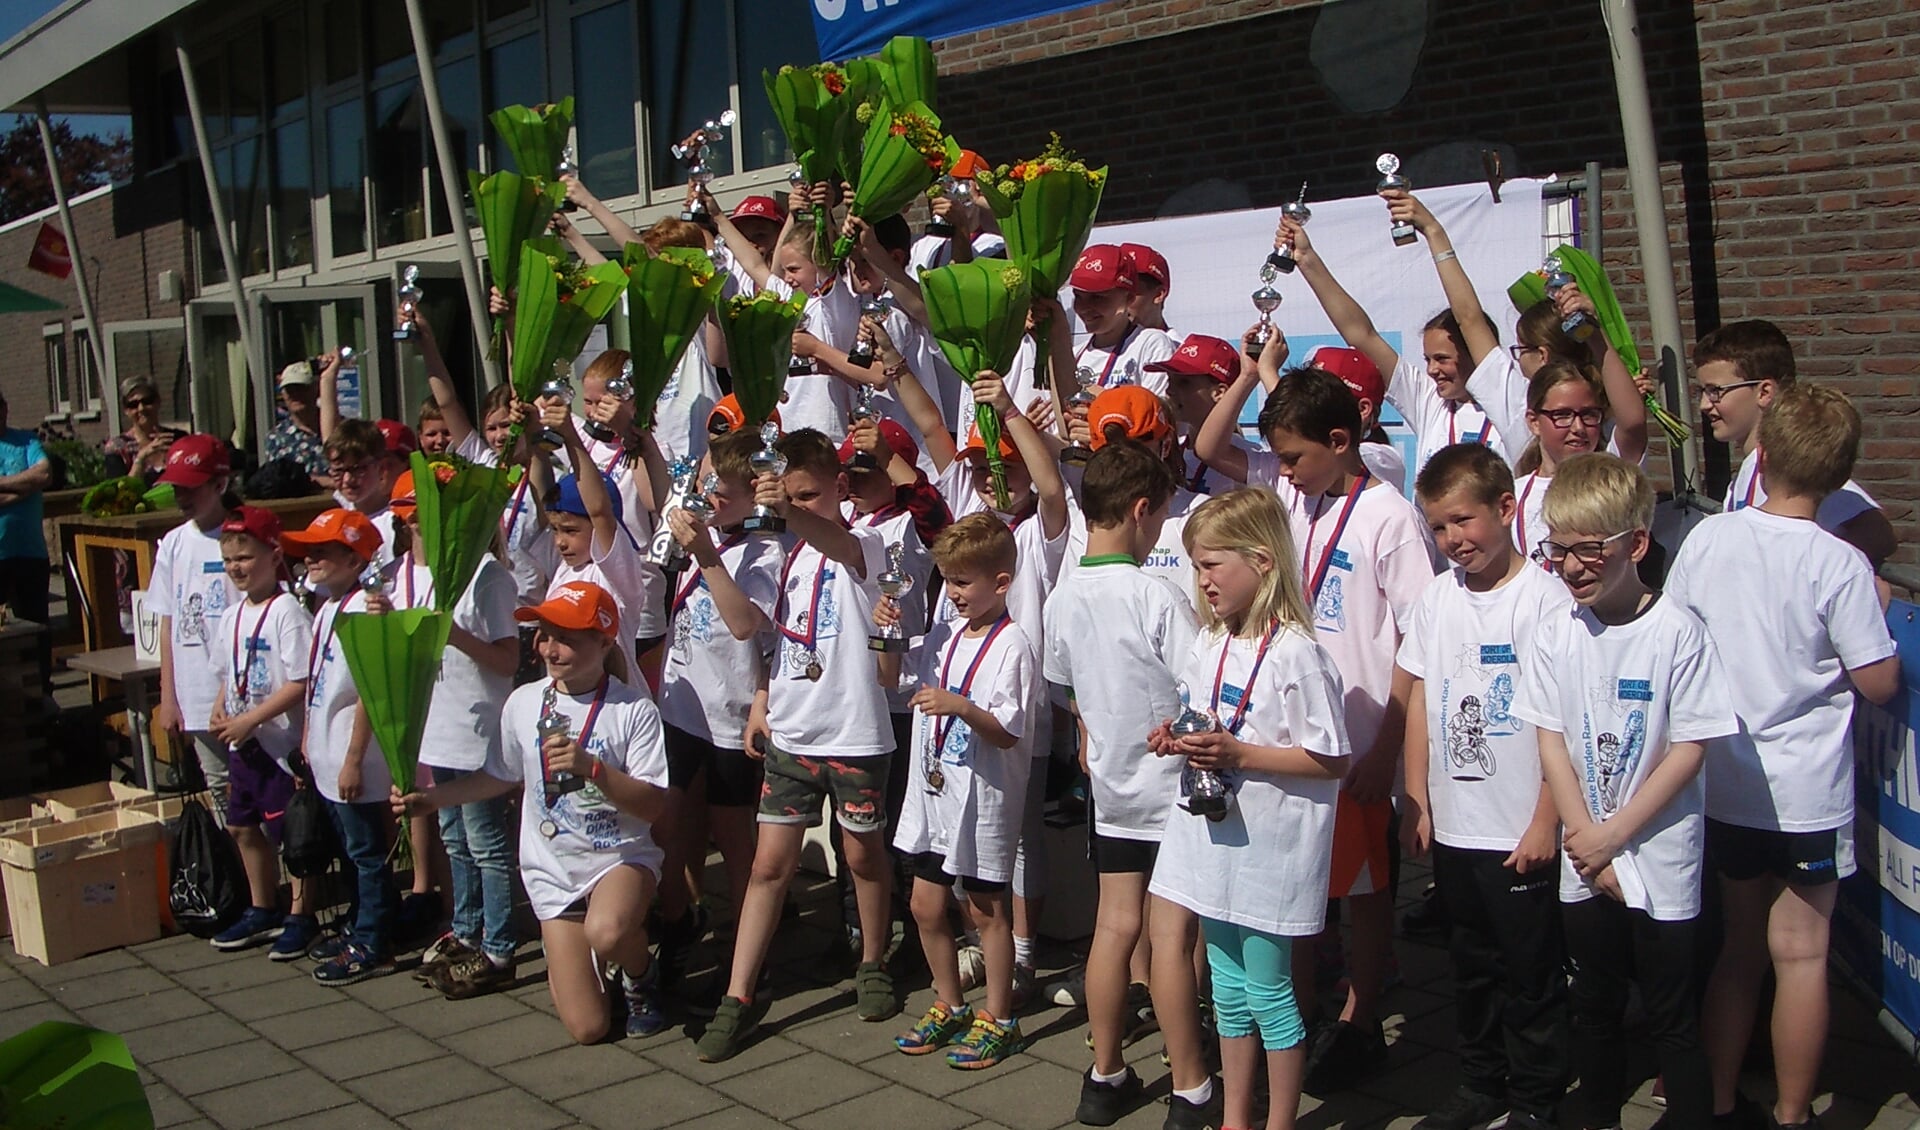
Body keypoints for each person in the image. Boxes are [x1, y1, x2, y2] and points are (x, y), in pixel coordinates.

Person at [1664, 385, 1900, 1130]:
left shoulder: (1711, 539)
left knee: (1738, 949)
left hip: (1727, 783)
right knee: (1800, 957)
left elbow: (1677, 635)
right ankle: (1795, 1113)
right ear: (1839, 476)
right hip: (1806, 795)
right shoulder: (1840, 565)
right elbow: (1879, 681)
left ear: (1760, 457)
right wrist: (1881, 610)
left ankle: (1723, 1100)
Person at [1512, 453, 1736, 1130]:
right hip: (1588, 860)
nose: (1571, 567)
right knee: (1596, 1008)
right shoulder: (1558, 634)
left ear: (1635, 544)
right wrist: (1586, 840)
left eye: (1587, 550)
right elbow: (1550, 738)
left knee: (1671, 1018)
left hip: (1659, 857)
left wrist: (1615, 835)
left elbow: (1689, 749)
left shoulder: (1678, 634)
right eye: (1558, 550)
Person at [1240, 368, 1436, 1094]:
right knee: (1297, 877)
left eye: (1293, 457)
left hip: (1359, 739)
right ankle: (1300, 1011)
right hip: (1298, 735)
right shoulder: (1301, 501)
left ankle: (1361, 1016)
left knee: (1365, 888)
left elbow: (1419, 640)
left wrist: (1387, 747)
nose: (1283, 472)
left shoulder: (1390, 517)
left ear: (1341, 440)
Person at [1148, 487, 1352, 1130]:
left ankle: (1280, 1121)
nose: (1200, 579)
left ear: (1263, 562)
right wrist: (1176, 736)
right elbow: (1209, 717)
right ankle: (1237, 1116)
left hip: (1270, 850)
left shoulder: (1297, 652)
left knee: (1271, 994)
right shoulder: (1210, 642)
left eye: (1212, 565)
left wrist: (1239, 753)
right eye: (1195, 564)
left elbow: (1331, 759)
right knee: (1228, 995)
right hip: (1211, 844)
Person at [695, 428, 899, 1063]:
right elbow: (759, 629)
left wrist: (791, 511)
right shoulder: (777, 552)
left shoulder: (864, 538)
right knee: (766, 867)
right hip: (791, 730)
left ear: (840, 486)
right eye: (790, 496)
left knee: (862, 858)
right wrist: (762, 699)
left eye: (811, 494)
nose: (799, 505)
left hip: (855, 733)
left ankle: (872, 959)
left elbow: (836, 541)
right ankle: (739, 992)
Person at [396, 581, 675, 1044]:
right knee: (589, 1030)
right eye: (544, 634)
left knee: (607, 931)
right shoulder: (524, 702)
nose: (549, 647)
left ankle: (640, 973)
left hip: (618, 857)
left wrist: (594, 770)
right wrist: (432, 799)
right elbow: (500, 775)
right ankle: (589, 962)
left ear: (605, 642)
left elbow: (652, 805)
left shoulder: (633, 709)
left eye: (565, 636)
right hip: (551, 870)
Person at [1397, 444, 1573, 1130]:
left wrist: (1543, 822)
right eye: (1438, 527)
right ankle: (1481, 1083)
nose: (1452, 540)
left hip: (1518, 825)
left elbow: (1560, 724)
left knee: (1530, 971)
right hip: (1457, 822)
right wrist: (1417, 796)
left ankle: (1536, 1098)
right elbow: (1418, 700)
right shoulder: (1437, 599)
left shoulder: (1545, 601)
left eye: (1463, 521)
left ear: (1506, 509)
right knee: (1470, 964)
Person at [1042, 440, 1201, 1127]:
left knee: (1113, 928)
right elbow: (1204, 686)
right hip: (1173, 793)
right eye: (1163, 517)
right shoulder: (1154, 595)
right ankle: (1192, 1080)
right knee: (1175, 940)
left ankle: (1104, 1073)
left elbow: (1065, 687)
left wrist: (1091, 729)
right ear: (1141, 512)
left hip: (1112, 791)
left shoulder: (1064, 595)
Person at [880, 513, 1036, 1070]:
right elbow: (889, 680)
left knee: (986, 908)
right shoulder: (943, 632)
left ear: (1000, 582)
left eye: (963, 582)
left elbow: (1008, 729)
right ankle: (949, 1001)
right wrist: (887, 637)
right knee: (924, 904)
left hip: (983, 798)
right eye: (947, 580)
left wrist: (961, 707)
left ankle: (1000, 1015)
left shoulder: (1013, 643)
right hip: (932, 792)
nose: (953, 593)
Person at [652, 428, 784, 993]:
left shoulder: (766, 549)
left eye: (722, 492)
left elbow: (743, 623)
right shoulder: (714, 533)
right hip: (682, 705)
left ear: (756, 492)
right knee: (673, 824)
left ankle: (753, 944)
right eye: (706, 486)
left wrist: (706, 554)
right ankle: (683, 922)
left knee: (734, 835)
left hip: (731, 714)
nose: (709, 499)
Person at [389, 470, 524, 1000]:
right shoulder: (414, 573)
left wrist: (456, 634)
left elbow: (507, 660)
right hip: (437, 725)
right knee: (453, 838)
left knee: (487, 841)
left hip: (476, 728)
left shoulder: (488, 575)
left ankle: (499, 947)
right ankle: (465, 932)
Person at [1277, 213, 1502, 473]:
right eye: (1428, 359)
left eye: (1442, 359)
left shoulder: (1510, 403)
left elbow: (1469, 316)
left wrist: (1432, 231)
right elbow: (1361, 334)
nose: (1431, 370)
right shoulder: (1430, 401)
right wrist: (1307, 260)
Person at [283, 507, 399, 985]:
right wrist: (309, 740)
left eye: (324, 552)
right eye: (308, 552)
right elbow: (319, 682)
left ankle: (374, 939)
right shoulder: (327, 606)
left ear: (356, 560)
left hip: (355, 758)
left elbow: (372, 691)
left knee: (368, 852)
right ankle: (359, 922)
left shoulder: (363, 610)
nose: (310, 559)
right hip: (326, 752)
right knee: (352, 851)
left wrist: (353, 759)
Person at [205, 505, 318, 959]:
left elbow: (301, 680)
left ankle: (301, 913)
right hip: (244, 743)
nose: (237, 568)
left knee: (295, 834)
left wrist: (253, 718)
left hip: (278, 744)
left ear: (273, 555)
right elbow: (225, 673)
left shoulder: (286, 610)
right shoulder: (233, 615)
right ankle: (261, 905)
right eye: (230, 560)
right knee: (242, 826)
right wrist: (220, 710)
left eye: (245, 558)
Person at [1696, 319, 1898, 566]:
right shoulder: (1747, 473)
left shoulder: (1793, 467)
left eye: (1715, 391)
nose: (1704, 405)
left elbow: (1877, 533)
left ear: (1764, 392)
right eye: (1702, 392)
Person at [150, 435, 242, 804]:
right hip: (196, 693)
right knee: (218, 786)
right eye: (176, 488)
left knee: (259, 786)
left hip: (243, 691)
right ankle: (234, 859)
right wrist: (168, 697)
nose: (182, 497)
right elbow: (167, 622)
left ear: (219, 484)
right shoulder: (173, 543)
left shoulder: (244, 535)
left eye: (191, 487)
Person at [0, 393, 52, 682]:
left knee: (37, 627)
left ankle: (42, 693)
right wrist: (24, 487)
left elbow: (43, 475)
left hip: (30, 552)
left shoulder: (26, 441)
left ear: (5, 408)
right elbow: (33, 481)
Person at [264, 358, 334, 489]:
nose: (295, 394)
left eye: (301, 388)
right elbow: (278, 482)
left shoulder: (341, 428)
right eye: (289, 390)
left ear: (316, 389)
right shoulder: (276, 438)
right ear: (283, 394)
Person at [101, 376, 183, 481]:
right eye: (133, 405)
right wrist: (141, 458)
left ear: (158, 402)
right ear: (126, 410)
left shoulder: (178, 439)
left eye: (147, 401)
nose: (141, 408)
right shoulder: (118, 448)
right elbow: (119, 493)